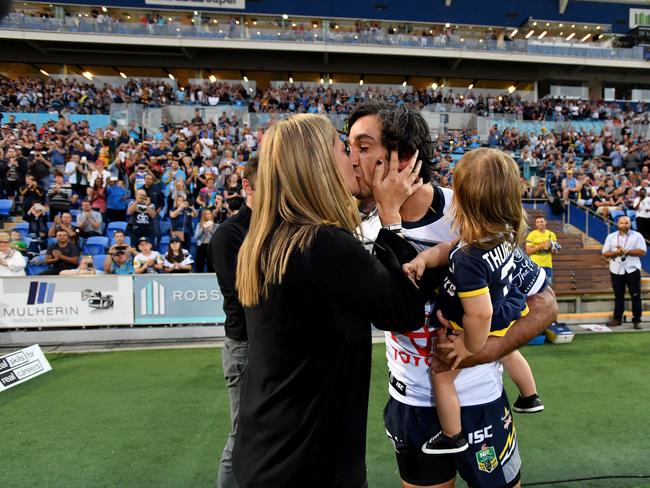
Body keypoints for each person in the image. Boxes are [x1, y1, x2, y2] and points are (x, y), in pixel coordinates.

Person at [347, 101, 557, 488]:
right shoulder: (363, 235)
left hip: (479, 401)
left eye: (362, 148)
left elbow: (544, 304)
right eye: (349, 149)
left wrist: (483, 351)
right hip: (409, 402)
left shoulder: (466, 210)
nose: (350, 160)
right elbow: (395, 313)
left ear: (404, 157)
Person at [232, 114, 424, 488]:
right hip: (310, 462)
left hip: (265, 449)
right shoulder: (322, 244)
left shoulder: (267, 239)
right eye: (343, 148)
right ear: (318, 162)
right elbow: (404, 311)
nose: (353, 159)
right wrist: (391, 217)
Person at [403, 149, 543, 455]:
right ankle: (530, 396)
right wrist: (425, 259)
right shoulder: (499, 234)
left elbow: (479, 315)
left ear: (464, 201)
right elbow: (449, 247)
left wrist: (469, 347)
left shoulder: (469, 260)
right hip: (507, 311)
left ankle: (453, 435)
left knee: (441, 375)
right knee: (508, 352)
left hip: (475, 324)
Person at [209, 157, 257, 488]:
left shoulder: (277, 227)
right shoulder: (229, 234)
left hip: (271, 344)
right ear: (246, 187)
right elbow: (245, 297)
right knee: (243, 435)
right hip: (245, 345)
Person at [602, 216, 647, 329]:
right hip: (616, 269)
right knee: (618, 296)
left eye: (626, 223)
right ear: (618, 224)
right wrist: (616, 253)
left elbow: (642, 252)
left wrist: (627, 251)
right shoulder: (611, 237)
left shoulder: (637, 236)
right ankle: (617, 319)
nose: (624, 225)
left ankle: (637, 320)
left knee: (635, 295)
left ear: (630, 224)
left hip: (632, 269)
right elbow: (605, 253)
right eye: (622, 223)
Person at [525, 216, 559, 282]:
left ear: (545, 222)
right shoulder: (531, 235)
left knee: (547, 286)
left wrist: (552, 247)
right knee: (535, 286)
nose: (540, 223)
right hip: (535, 265)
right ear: (535, 224)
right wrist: (541, 246)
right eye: (538, 222)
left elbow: (555, 253)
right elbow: (528, 251)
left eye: (542, 221)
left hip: (547, 265)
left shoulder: (551, 234)